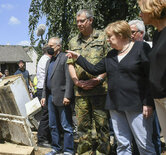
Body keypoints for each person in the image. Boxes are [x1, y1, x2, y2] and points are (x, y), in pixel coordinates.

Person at [67, 20, 156, 155]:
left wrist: (148, 103)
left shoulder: (141, 48)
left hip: (136, 106)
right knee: (122, 145)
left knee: (144, 145)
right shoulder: (111, 55)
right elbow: (94, 69)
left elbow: (151, 76)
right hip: (115, 106)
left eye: (110, 37)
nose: (107, 40)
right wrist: (78, 57)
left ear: (121, 35)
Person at [66, 9, 110, 154]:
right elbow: (70, 64)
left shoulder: (103, 37)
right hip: (81, 92)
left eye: (82, 21)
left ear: (90, 20)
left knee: (102, 126)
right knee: (82, 127)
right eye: (77, 21)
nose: (79, 24)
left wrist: (98, 79)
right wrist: (76, 82)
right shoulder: (73, 41)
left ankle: (102, 153)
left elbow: (109, 62)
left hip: (100, 90)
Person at [128, 19, 162, 155]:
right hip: (134, 101)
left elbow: (151, 74)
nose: (129, 35)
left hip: (150, 98)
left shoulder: (149, 46)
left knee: (152, 134)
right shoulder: (126, 50)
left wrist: (149, 101)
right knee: (137, 136)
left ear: (141, 33)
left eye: (132, 32)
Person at [138, 0, 166, 143]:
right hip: (158, 98)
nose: (140, 14)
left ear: (152, 10)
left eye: (142, 10)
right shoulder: (157, 35)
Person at [41, 37, 74, 155]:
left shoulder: (65, 58)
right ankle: (56, 147)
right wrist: (44, 95)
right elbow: (46, 80)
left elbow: (69, 79)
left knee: (66, 125)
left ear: (58, 46)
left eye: (51, 46)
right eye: (48, 46)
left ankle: (69, 150)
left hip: (62, 96)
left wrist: (67, 96)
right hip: (50, 97)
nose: (49, 48)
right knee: (52, 124)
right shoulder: (48, 61)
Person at [36, 45, 53, 148]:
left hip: (41, 89)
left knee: (47, 114)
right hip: (43, 90)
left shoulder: (42, 58)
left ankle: (46, 137)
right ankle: (42, 139)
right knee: (46, 115)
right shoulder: (46, 59)